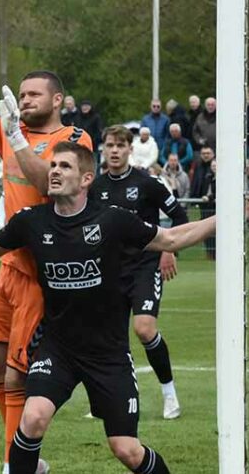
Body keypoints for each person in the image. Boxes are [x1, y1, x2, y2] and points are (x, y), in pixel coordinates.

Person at [0, 143, 249, 474]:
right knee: (32, 418)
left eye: (65, 167)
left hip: (108, 354)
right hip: (58, 348)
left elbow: (171, 240)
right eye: (53, 166)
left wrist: (228, 217)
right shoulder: (31, 221)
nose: (54, 171)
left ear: (85, 179)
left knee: (126, 450)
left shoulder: (111, 220)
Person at [0, 14, 92, 474]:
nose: (24, 100)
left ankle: (16, 463)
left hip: (43, 274)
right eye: (21, 94)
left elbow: (49, 184)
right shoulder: (14, 130)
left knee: (17, 375)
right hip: (9, 267)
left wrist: (13, 137)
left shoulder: (74, 138)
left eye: (34, 94)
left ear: (58, 100)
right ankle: (28, 458)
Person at [91, 126, 189, 420]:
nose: (115, 150)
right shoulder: (95, 188)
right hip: (110, 269)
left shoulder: (148, 183)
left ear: (130, 149)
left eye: (121, 145)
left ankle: (169, 394)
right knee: (110, 336)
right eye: (110, 145)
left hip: (145, 266)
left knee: (144, 329)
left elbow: (180, 216)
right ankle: (109, 400)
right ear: (104, 149)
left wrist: (168, 248)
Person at [189, 146, 216, 259]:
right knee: (206, 229)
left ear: (213, 154)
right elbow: (196, 182)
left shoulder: (215, 169)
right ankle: (210, 253)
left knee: (217, 229)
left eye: (208, 153)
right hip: (204, 204)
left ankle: (217, 253)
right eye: (203, 153)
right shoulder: (199, 167)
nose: (206, 155)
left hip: (214, 204)